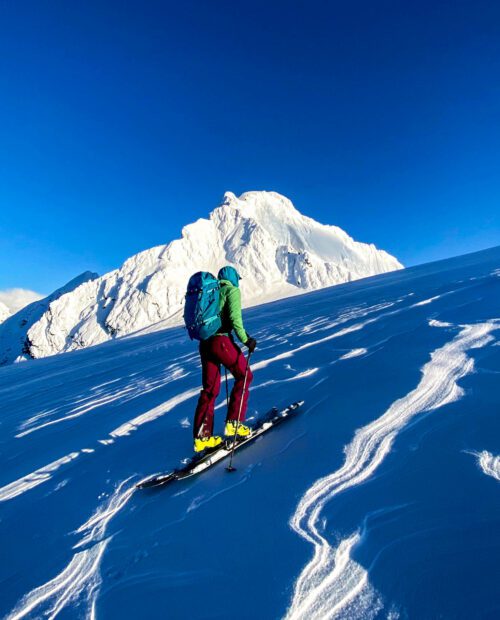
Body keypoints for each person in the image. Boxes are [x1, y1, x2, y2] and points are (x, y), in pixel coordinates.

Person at [193, 266, 257, 452]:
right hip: (221, 342)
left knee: (210, 390)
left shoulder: (212, 292)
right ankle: (234, 423)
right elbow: (235, 319)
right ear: (234, 278)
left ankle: (202, 438)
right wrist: (247, 340)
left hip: (205, 343)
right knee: (245, 375)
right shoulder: (232, 290)